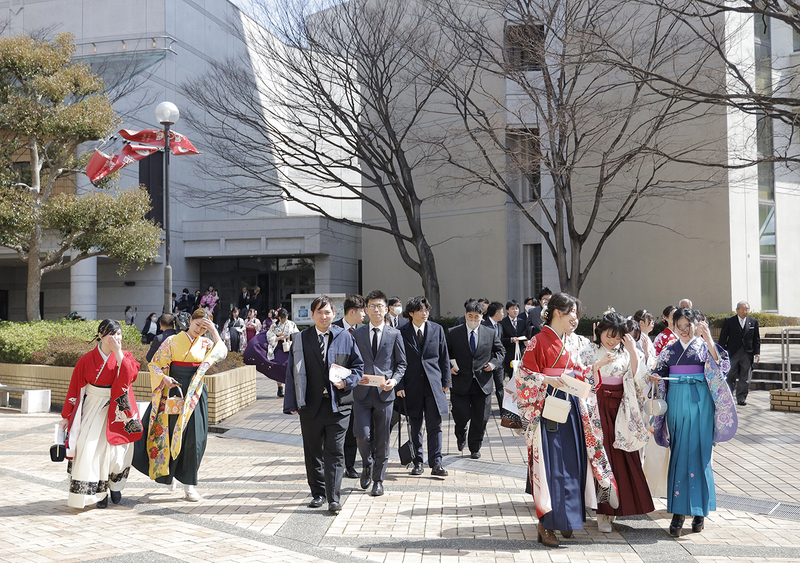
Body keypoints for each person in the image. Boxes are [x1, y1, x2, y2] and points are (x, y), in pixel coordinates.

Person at [515, 292, 617, 548]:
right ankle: (545, 524)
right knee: (551, 468)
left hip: (571, 407)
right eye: (572, 312)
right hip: (547, 407)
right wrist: (544, 379)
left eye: (576, 313)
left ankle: (568, 519)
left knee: (572, 464)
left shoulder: (572, 342)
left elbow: (579, 372)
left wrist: (596, 366)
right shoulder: (537, 342)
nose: (575, 318)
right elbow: (523, 376)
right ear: (558, 313)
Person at [652, 307, 738, 537]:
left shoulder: (704, 346)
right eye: (679, 325)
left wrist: (709, 339)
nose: (684, 330)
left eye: (688, 325)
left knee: (701, 453)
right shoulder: (669, 350)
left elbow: (722, 368)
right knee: (679, 453)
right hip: (677, 401)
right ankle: (679, 513)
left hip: (701, 401)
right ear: (673, 325)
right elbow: (658, 373)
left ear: (696, 324)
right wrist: (654, 377)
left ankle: (699, 512)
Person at [132, 308, 227, 501]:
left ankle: (189, 485)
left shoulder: (207, 343)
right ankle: (168, 474)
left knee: (195, 440)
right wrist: (164, 378)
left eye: (204, 327)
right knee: (168, 436)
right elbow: (155, 364)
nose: (199, 330)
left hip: (195, 394)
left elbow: (222, 352)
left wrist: (214, 332)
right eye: (197, 324)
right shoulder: (172, 341)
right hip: (173, 392)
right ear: (190, 320)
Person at [283, 295, 364, 514]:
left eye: (327, 312)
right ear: (312, 315)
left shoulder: (345, 337)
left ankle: (334, 497)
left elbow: (358, 367)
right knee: (313, 452)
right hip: (310, 406)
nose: (323, 316)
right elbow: (292, 373)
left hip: (339, 406)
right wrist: (290, 402)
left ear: (334, 314)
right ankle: (318, 493)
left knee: (335, 451)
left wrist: (346, 382)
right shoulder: (301, 339)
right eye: (319, 312)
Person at [579, 312, 653, 533]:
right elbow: (578, 376)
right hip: (596, 406)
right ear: (599, 331)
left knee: (620, 458)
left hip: (621, 408)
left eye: (617, 336)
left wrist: (632, 352)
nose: (611, 340)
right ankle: (603, 512)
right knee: (602, 457)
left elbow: (639, 378)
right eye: (608, 335)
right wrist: (597, 365)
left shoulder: (627, 351)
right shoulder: (589, 351)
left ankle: (615, 510)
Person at [59, 319, 142, 509]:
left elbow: (131, 375)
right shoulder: (86, 359)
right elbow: (74, 388)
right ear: (101, 336)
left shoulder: (125, 355)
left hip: (119, 408)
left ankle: (115, 485)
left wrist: (118, 352)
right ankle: (98, 492)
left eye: (119, 334)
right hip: (94, 406)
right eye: (112, 334)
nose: (117, 338)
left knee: (118, 451)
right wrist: (66, 415)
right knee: (90, 449)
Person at [352, 290, 407, 496]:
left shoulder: (395, 334)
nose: (376, 310)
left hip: (385, 395)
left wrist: (393, 380)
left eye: (380, 306)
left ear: (387, 309)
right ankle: (366, 463)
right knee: (362, 435)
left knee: (382, 439)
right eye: (372, 306)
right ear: (366, 309)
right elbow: (351, 362)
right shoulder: (357, 334)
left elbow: (401, 363)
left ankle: (378, 480)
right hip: (362, 395)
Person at [397, 296, 451, 477]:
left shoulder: (437, 329)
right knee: (415, 425)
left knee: (435, 425)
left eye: (426, 309)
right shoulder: (401, 332)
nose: (425, 313)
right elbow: (397, 361)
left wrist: (446, 382)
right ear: (411, 313)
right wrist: (400, 385)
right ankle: (418, 462)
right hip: (411, 386)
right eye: (421, 310)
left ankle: (436, 463)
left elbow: (444, 356)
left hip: (433, 385)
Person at [447, 300, 505, 459]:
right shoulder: (453, 332)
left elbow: (500, 352)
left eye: (476, 316)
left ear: (482, 317)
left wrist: (493, 364)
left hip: (482, 382)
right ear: (465, 315)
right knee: (461, 414)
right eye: (470, 316)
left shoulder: (490, 333)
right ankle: (460, 431)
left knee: (481, 418)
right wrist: (448, 367)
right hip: (460, 381)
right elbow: (444, 353)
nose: (473, 319)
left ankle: (474, 447)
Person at [332, 294, 367, 478]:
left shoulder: (363, 331)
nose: (365, 315)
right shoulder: (333, 329)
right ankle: (336, 465)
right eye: (362, 311)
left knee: (354, 429)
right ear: (352, 311)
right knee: (337, 431)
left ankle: (350, 466)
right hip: (336, 388)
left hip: (358, 389)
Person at [718, 301, 761, 406]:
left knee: (745, 377)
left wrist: (757, 353)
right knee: (730, 375)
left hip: (747, 352)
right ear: (737, 310)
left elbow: (756, 338)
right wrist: (721, 352)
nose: (744, 312)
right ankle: (728, 397)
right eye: (742, 309)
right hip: (732, 352)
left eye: (746, 309)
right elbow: (723, 337)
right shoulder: (729, 321)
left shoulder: (753, 322)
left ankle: (741, 398)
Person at [262, 308, 299, 397]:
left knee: (289, 366)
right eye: (283, 318)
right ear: (279, 318)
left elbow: (297, 334)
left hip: (289, 346)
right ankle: (280, 387)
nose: (284, 319)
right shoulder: (274, 325)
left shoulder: (291, 324)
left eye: (286, 317)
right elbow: (269, 335)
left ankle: (290, 388)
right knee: (279, 366)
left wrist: (290, 337)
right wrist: (278, 338)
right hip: (278, 346)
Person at [484, 301, 506, 406]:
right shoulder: (484, 325)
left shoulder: (500, 326)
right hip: (486, 363)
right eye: (502, 312)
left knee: (500, 387)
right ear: (497, 313)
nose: (503, 314)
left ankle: (503, 411)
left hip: (499, 363)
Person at [501, 300, 528, 381]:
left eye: (516, 308)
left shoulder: (522, 322)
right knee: (512, 378)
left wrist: (525, 340)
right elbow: (501, 339)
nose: (515, 311)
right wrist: (510, 340)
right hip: (509, 354)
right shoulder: (503, 322)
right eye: (512, 309)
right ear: (507, 310)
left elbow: (525, 335)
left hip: (521, 353)